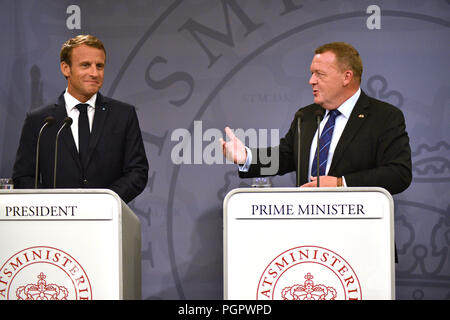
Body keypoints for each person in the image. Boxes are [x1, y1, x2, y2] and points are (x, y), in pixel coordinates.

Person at [221, 42, 412, 195]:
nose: (311, 80)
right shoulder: (306, 116)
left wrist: (341, 183)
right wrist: (247, 157)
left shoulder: (384, 117)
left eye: (319, 74)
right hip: (310, 231)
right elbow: (286, 157)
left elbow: (398, 174)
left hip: (359, 231)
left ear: (346, 77)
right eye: (312, 73)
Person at [12, 35, 148, 203]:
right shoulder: (40, 121)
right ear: (65, 68)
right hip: (56, 223)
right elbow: (23, 177)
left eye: (99, 66)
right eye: (85, 65)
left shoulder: (123, 115)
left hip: (106, 221)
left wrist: (105, 201)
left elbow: (137, 172)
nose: (94, 73)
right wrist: (55, 206)